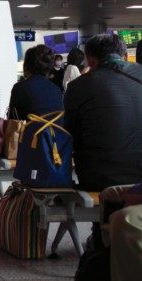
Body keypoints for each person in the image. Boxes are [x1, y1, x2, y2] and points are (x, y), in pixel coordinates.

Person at [64, 34, 142, 192]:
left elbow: (70, 135)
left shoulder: (78, 86)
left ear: (90, 60)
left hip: (101, 179)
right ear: (125, 56)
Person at [8, 44, 63, 120]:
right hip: (55, 131)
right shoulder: (56, 90)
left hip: (28, 131)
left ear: (27, 65)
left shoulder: (19, 88)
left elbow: (12, 120)